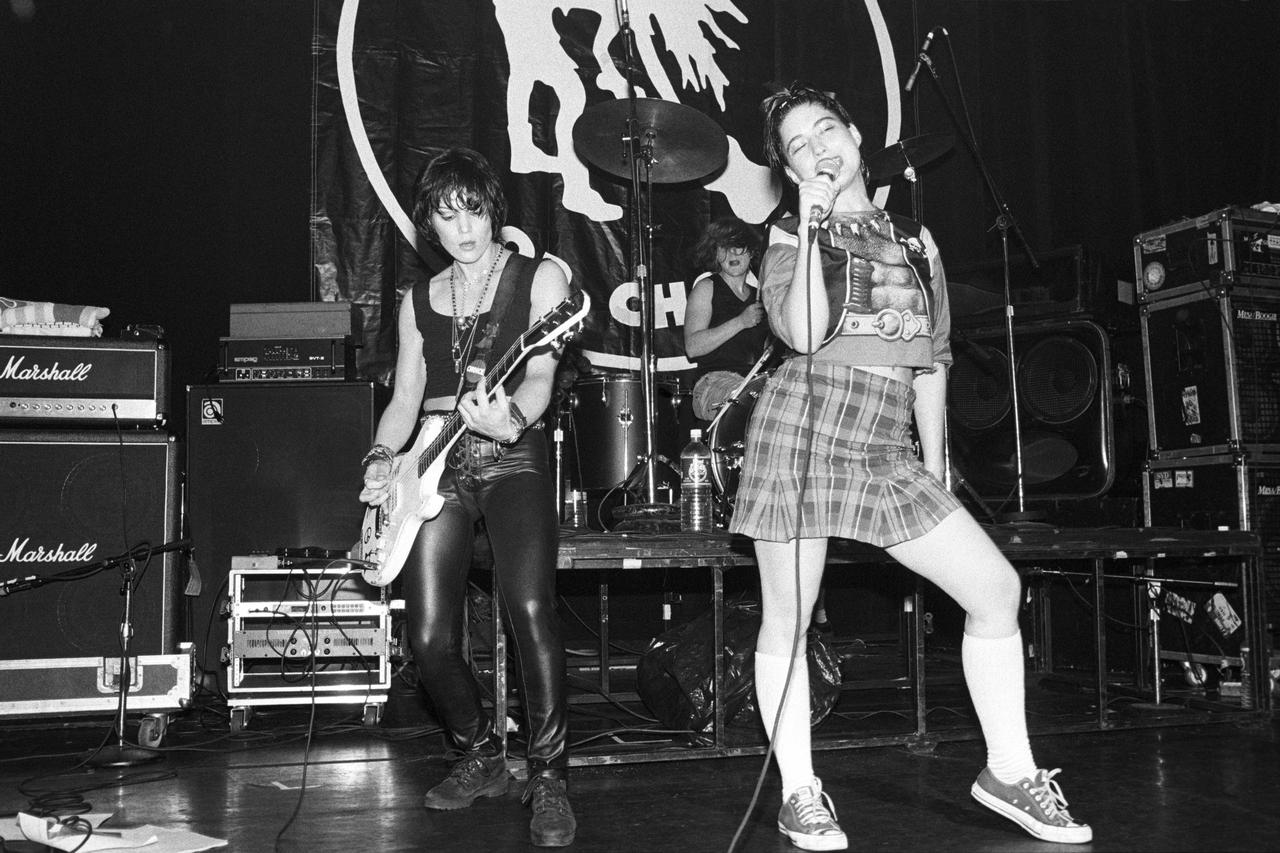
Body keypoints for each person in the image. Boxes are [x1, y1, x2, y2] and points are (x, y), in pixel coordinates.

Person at [730, 86, 1092, 851]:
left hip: (887, 442)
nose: (819, 147)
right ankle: (800, 792)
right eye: (798, 145)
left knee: (997, 589)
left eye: (826, 129)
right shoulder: (790, 239)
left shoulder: (915, 238)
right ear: (787, 170)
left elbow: (934, 359)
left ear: (857, 135)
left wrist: (935, 462)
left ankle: (1009, 770)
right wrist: (813, 221)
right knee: (789, 621)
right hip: (804, 428)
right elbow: (801, 334)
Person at [359, 148, 575, 848]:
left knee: (530, 607)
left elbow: (538, 375)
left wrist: (512, 418)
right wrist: (380, 459)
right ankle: (480, 747)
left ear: (492, 210)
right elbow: (403, 400)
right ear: (430, 226)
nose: (465, 228)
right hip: (435, 462)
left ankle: (548, 775)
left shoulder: (536, 279)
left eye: (474, 210)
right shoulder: (417, 300)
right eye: (448, 217)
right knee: (426, 634)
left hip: (513, 453)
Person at [682, 216, 770, 422]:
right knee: (747, 398)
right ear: (715, 253)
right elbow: (692, 347)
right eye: (724, 247)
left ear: (751, 252)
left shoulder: (761, 295)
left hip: (755, 381)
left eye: (738, 246)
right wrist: (740, 322)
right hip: (712, 381)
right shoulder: (706, 288)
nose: (731, 253)